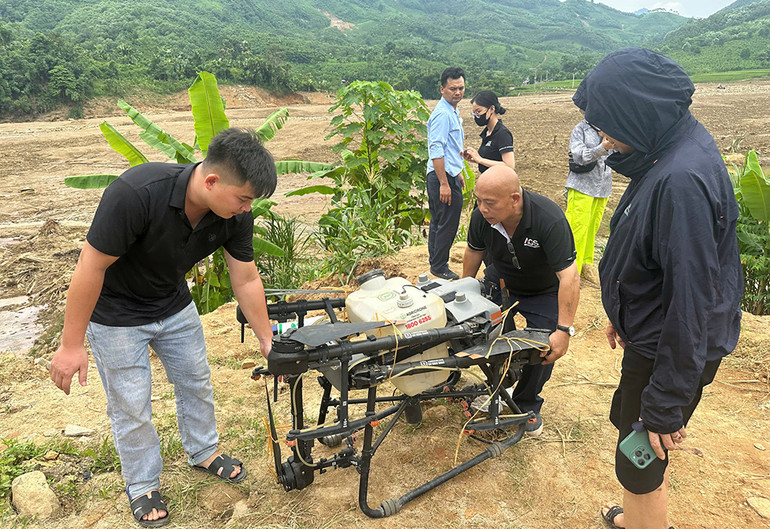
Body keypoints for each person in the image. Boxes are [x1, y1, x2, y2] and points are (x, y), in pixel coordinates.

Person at [49, 128, 277, 528]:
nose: (246, 208)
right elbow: (91, 266)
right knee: (132, 404)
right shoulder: (137, 193)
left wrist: (266, 337)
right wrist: (71, 345)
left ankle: (203, 451)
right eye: (243, 198)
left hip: (172, 304)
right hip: (116, 314)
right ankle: (142, 485)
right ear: (211, 181)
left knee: (195, 380)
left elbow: (245, 278)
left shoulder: (234, 215)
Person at [577, 48, 743, 529]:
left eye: (607, 125)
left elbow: (693, 303)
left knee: (641, 453)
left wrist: (666, 405)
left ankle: (646, 522)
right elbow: (660, 262)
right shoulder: (668, 147)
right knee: (637, 437)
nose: (603, 138)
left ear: (636, 111)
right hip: (656, 334)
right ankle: (637, 519)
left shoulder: (680, 180)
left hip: (668, 346)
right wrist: (624, 307)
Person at [462, 165, 580, 436]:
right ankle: (499, 388)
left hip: (544, 290)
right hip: (501, 282)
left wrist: (563, 330)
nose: (482, 208)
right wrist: (464, 296)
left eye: (489, 202)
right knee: (484, 335)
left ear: (515, 199)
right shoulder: (483, 217)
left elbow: (570, 277)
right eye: (478, 201)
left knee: (542, 347)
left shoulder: (548, 219)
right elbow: (473, 252)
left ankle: (526, 404)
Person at [564, 87, 613, 280]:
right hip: (582, 186)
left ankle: (586, 268)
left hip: (603, 187)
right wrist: (602, 147)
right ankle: (570, 274)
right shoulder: (580, 130)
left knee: (592, 229)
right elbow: (580, 156)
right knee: (577, 229)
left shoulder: (608, 128)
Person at [426, 66, 466, 280]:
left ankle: (436, 262)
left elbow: (450, 149)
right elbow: (437, 149)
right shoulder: (442, 115)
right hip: (440, 176)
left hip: (446, 173)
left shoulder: (451, 111)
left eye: (461, 88)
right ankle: (440, 266)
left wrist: (456, 172)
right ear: (442, 89)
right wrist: (444, 182)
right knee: (448, 222)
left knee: (439, 219)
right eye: (452, 88)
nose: (457, 92)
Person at [462, 90, 515, 173]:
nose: (477, 116)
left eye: (478, 112)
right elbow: (491, 160)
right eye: (474, 114)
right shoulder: (487, 133)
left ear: (491, 109)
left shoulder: (502, 134)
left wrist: (480, 160)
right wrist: (475, 159)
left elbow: (509, 166)